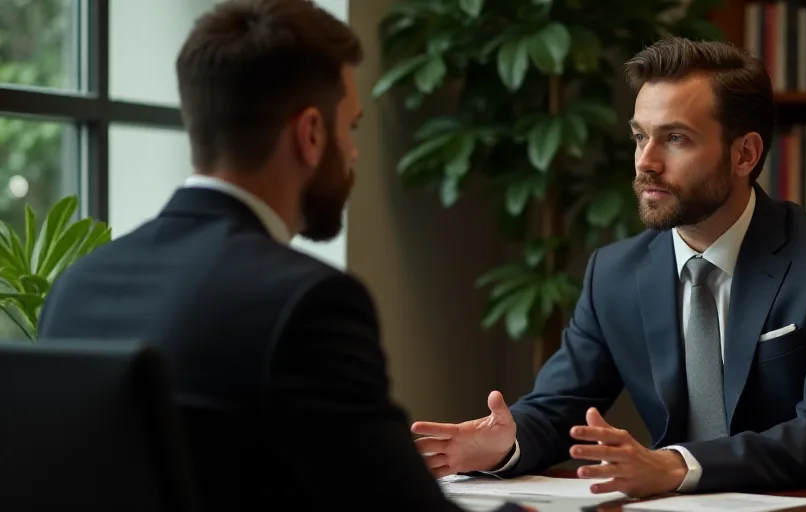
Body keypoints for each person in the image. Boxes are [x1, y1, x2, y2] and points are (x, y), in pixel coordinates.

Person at [36, 1, 525, 511]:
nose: (353, 152)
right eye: (350, 129)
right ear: (311, 134)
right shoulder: (307, 303)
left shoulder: (76, 285)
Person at [411, 37, 806, 498]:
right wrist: (505, 446)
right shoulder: (614, 273)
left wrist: (676, 465)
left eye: (676, 139)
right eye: (640, 136)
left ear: (745, 153)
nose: (646, 162)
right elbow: (559, 409)